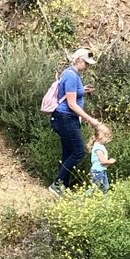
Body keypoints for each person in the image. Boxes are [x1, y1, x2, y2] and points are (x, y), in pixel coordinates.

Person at [49, 47, 100, 195]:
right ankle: (57, 184)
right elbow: (71, 104)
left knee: (68, 152)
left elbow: (69, 93)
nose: (87, 66)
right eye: (86, 62)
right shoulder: (71, 76)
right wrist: (92, 120)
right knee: (79, 152)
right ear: (78, 60)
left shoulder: (72, 74)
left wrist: (83, 90)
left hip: (64, 118)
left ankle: (63, 186)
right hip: (66, 118)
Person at [89, 123, 115, 195]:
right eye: (106, 137)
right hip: (97, 171)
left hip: (101, 170)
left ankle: (104, 202)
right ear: (100, 136)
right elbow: (103, 161)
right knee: (95, 187)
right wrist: (110, 161)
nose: (108, 140)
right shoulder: (98, 148)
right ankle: (85, 197)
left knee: (105, 187)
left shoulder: (100, 146)